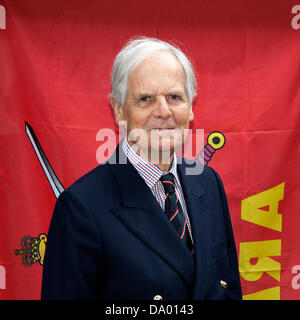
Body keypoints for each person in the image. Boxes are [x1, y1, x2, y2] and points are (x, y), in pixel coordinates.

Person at [41, 37, 242, 300]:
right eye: (145, 99)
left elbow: (227, 288)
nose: (163, 111)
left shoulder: (208, 182)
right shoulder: (81, 208)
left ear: (191, 107)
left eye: (174, 97)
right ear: (118, 110)